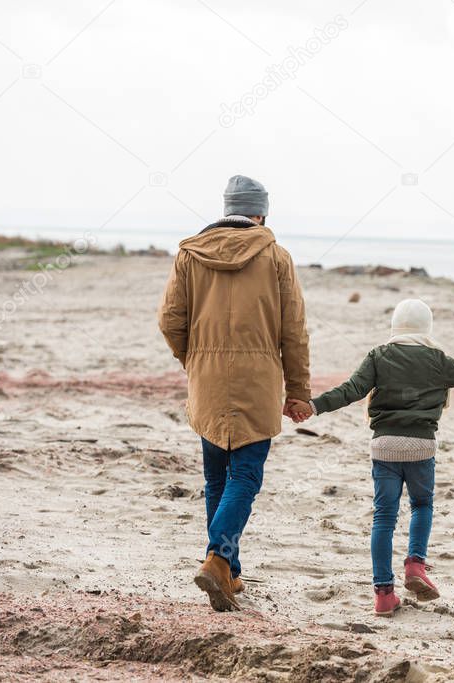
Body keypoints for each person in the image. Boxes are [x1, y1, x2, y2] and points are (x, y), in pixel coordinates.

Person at [158, 174, 312, 612]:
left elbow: (170, 320)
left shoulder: (189, 256)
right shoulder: (277, 258)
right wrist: (298, 390)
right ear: (259, 212)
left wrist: (195, 359)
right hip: (258, 381)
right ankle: (218, 558)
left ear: (227, 208)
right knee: (245, 475)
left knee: (215, 477)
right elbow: (294, 332)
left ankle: (231, 571)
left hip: (206, 381)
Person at [309, 298, 454, 617]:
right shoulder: (438, 360)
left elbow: (351, 390)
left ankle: (384, 595)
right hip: (421, 447)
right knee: (421, 505)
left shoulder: (379, 355)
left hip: (385, 447)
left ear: (395, 325)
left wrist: (314, 405)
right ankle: (415, 564)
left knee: (383, 518)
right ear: (426, 328)